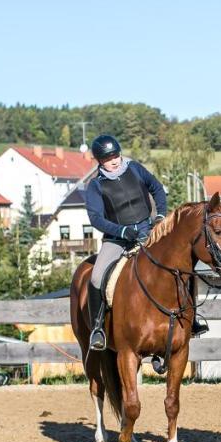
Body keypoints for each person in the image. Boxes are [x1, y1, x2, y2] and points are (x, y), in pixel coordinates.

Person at [82, 134, 171, 351]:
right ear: (99, 160)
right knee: (96, 276)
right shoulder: (95, 185)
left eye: (116, 155)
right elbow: (96, 219)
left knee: (177, 262)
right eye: (108, 157)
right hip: (117, 239)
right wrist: (122, 231)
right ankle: (98, 328)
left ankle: (190, 319)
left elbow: (157, 188)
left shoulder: (134, 168)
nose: (114, 160)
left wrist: (160, 217)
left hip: (148, 230)